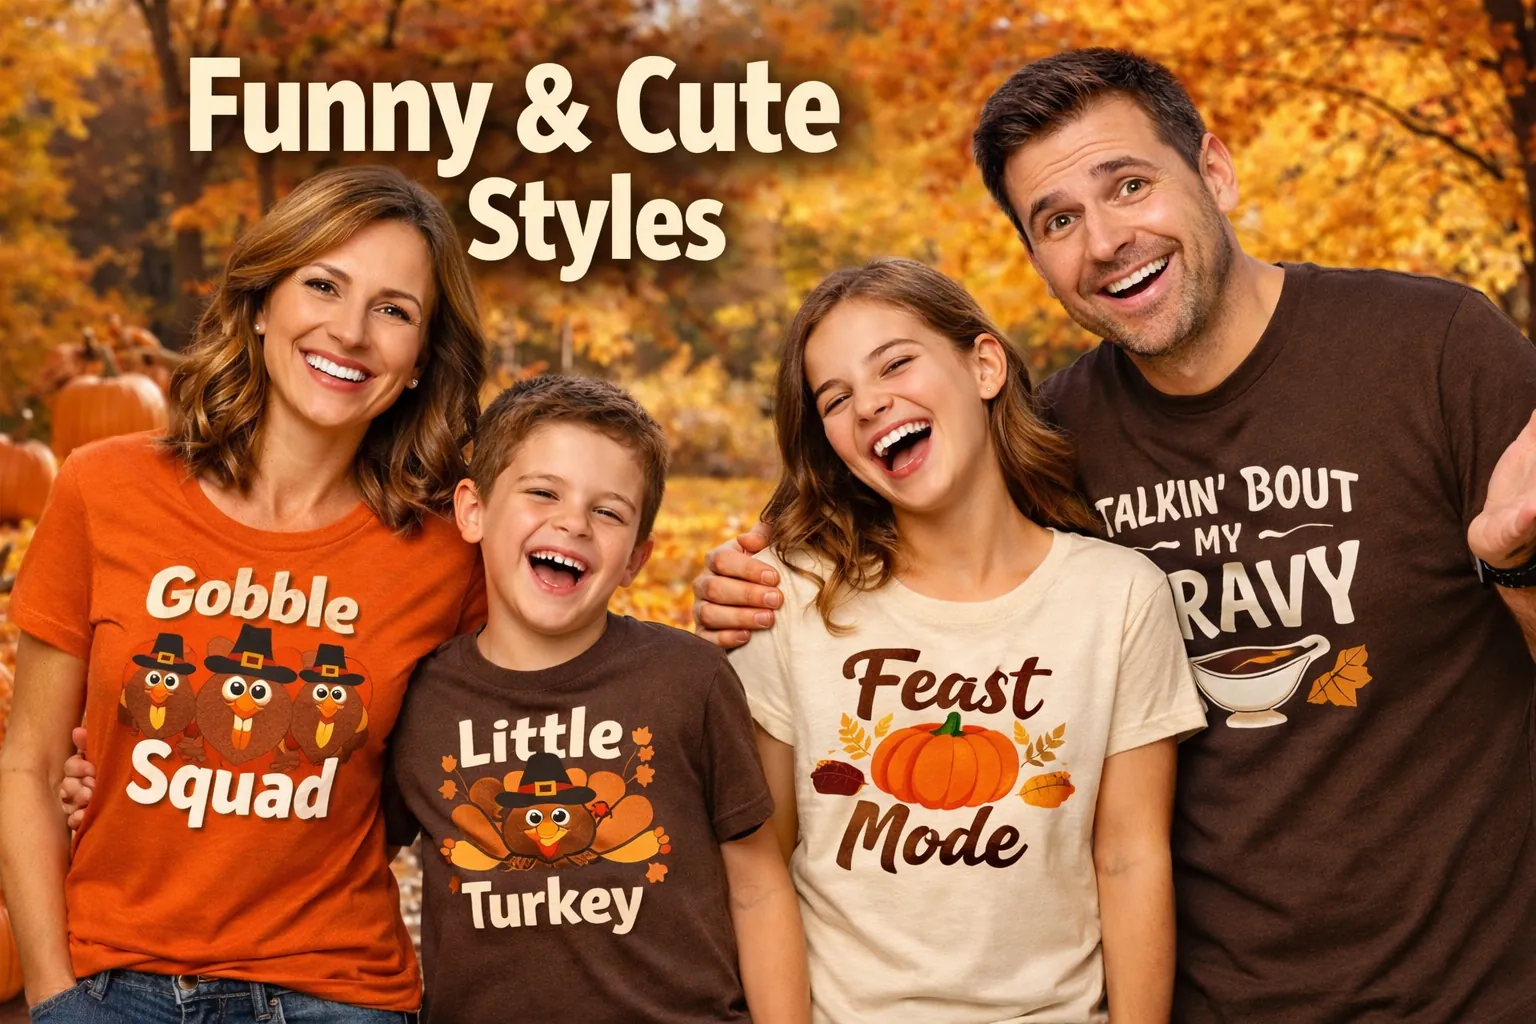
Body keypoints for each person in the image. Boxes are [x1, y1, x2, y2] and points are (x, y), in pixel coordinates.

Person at [694, 49, 1536, 1023]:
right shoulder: (1054, 443)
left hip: (1473, 991)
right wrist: (750, 575)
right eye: (1057, 221)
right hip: (1211, 1000)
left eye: (1129, 184)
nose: (1103, 240)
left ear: (1213, 172)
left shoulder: (1432, 348)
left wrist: (1516, 561)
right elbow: (898, 511)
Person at [0, 164, 488, 1022]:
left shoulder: (449, 547)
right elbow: (33, 764)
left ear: (419, 361)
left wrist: (731, 599)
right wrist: (50, 994)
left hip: (339, 993)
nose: (351, 331)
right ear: (262, 304)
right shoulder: (101, 488)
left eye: (394, 310)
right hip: (111, 986)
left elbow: (560, 686)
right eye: (324, 285)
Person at [724, 257, 1204, 1023]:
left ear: (984, 365)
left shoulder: (1117, 597)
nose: (872, 403)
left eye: (897, 363)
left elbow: (1129, 859)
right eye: (837, 398)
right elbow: (758, 871)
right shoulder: (789, 598)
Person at [380, 375, 809, 1023]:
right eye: (543, 492)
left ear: (636, 558)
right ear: (473, 510)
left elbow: (757, 888)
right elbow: (354, 859)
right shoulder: (421, 698)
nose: (572, 522)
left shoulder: (687, 679)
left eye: (607, 511)